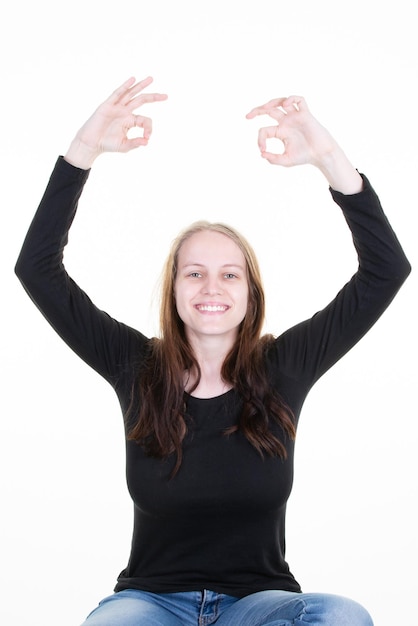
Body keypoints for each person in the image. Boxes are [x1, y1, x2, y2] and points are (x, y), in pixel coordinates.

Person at [15, 76, 411, 626]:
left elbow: (386, 270)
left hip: (260, 605)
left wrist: (326, 157)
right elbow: (37, 268)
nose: (211, 288)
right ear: (174, 290)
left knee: (342, 615)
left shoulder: (284, 368)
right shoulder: (137, 368)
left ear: (250, 295)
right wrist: (84, 151)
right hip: (150, 603)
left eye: (230, 275)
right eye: (194, 273)